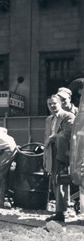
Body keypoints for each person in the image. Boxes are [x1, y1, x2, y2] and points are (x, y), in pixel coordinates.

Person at [43, 94, 75, 222]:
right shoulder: (48, 120)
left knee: (60, 181)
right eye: (49, 104)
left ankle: (60, 212)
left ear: (60, 103)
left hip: (63, 153)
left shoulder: (68, 116)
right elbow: (46, 136)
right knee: (55, 181)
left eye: (54, 103)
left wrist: (53, 137)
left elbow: (68, 133)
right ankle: (62, 209)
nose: (52, 106)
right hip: (51, 152)